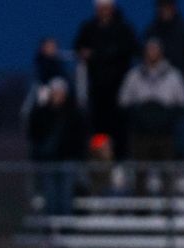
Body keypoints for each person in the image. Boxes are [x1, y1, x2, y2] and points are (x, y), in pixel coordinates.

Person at [118, 38, 184, 195]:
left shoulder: (173, 75)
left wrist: (167, 117)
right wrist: (139, 116)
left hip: (165, 132)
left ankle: (167, 203)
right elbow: (123, 100)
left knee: (167, 169)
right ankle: (141, 204)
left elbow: (183, 101)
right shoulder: (134, 75)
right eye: (149, 50)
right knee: (140, 170)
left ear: (161, 52)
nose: (152, 54)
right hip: (141, 132)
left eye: (155, 50)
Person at [73, 0, 139, 152]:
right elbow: (78, 48)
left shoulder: (123, 28)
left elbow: (132, 49)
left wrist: (99, 54)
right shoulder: (89, 28)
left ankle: (120, 158)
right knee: (98, 128)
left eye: (106, 8)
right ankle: (99, 158)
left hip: (120, 88)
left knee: (120, 127)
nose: (104, 11)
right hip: (96, 88)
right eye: (101, 8)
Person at [27, 77, 87, 214]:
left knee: (66, 195)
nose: (57, 95)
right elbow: (34, 131)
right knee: (50, 196)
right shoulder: (42, 111)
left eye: (60, 92)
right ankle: (52, 224)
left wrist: (77, 154)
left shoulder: (73, 112)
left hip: (68, 158)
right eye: (54, 92)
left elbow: (79, 136)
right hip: (48, 159)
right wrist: (40, 105)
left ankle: (65, 224)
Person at [144, 0, 184, 84]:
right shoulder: (151, 31)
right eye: (162, 7)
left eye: (167, 7)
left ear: (174, 8)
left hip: (182, 77)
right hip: (154, 79)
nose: (165, 11)